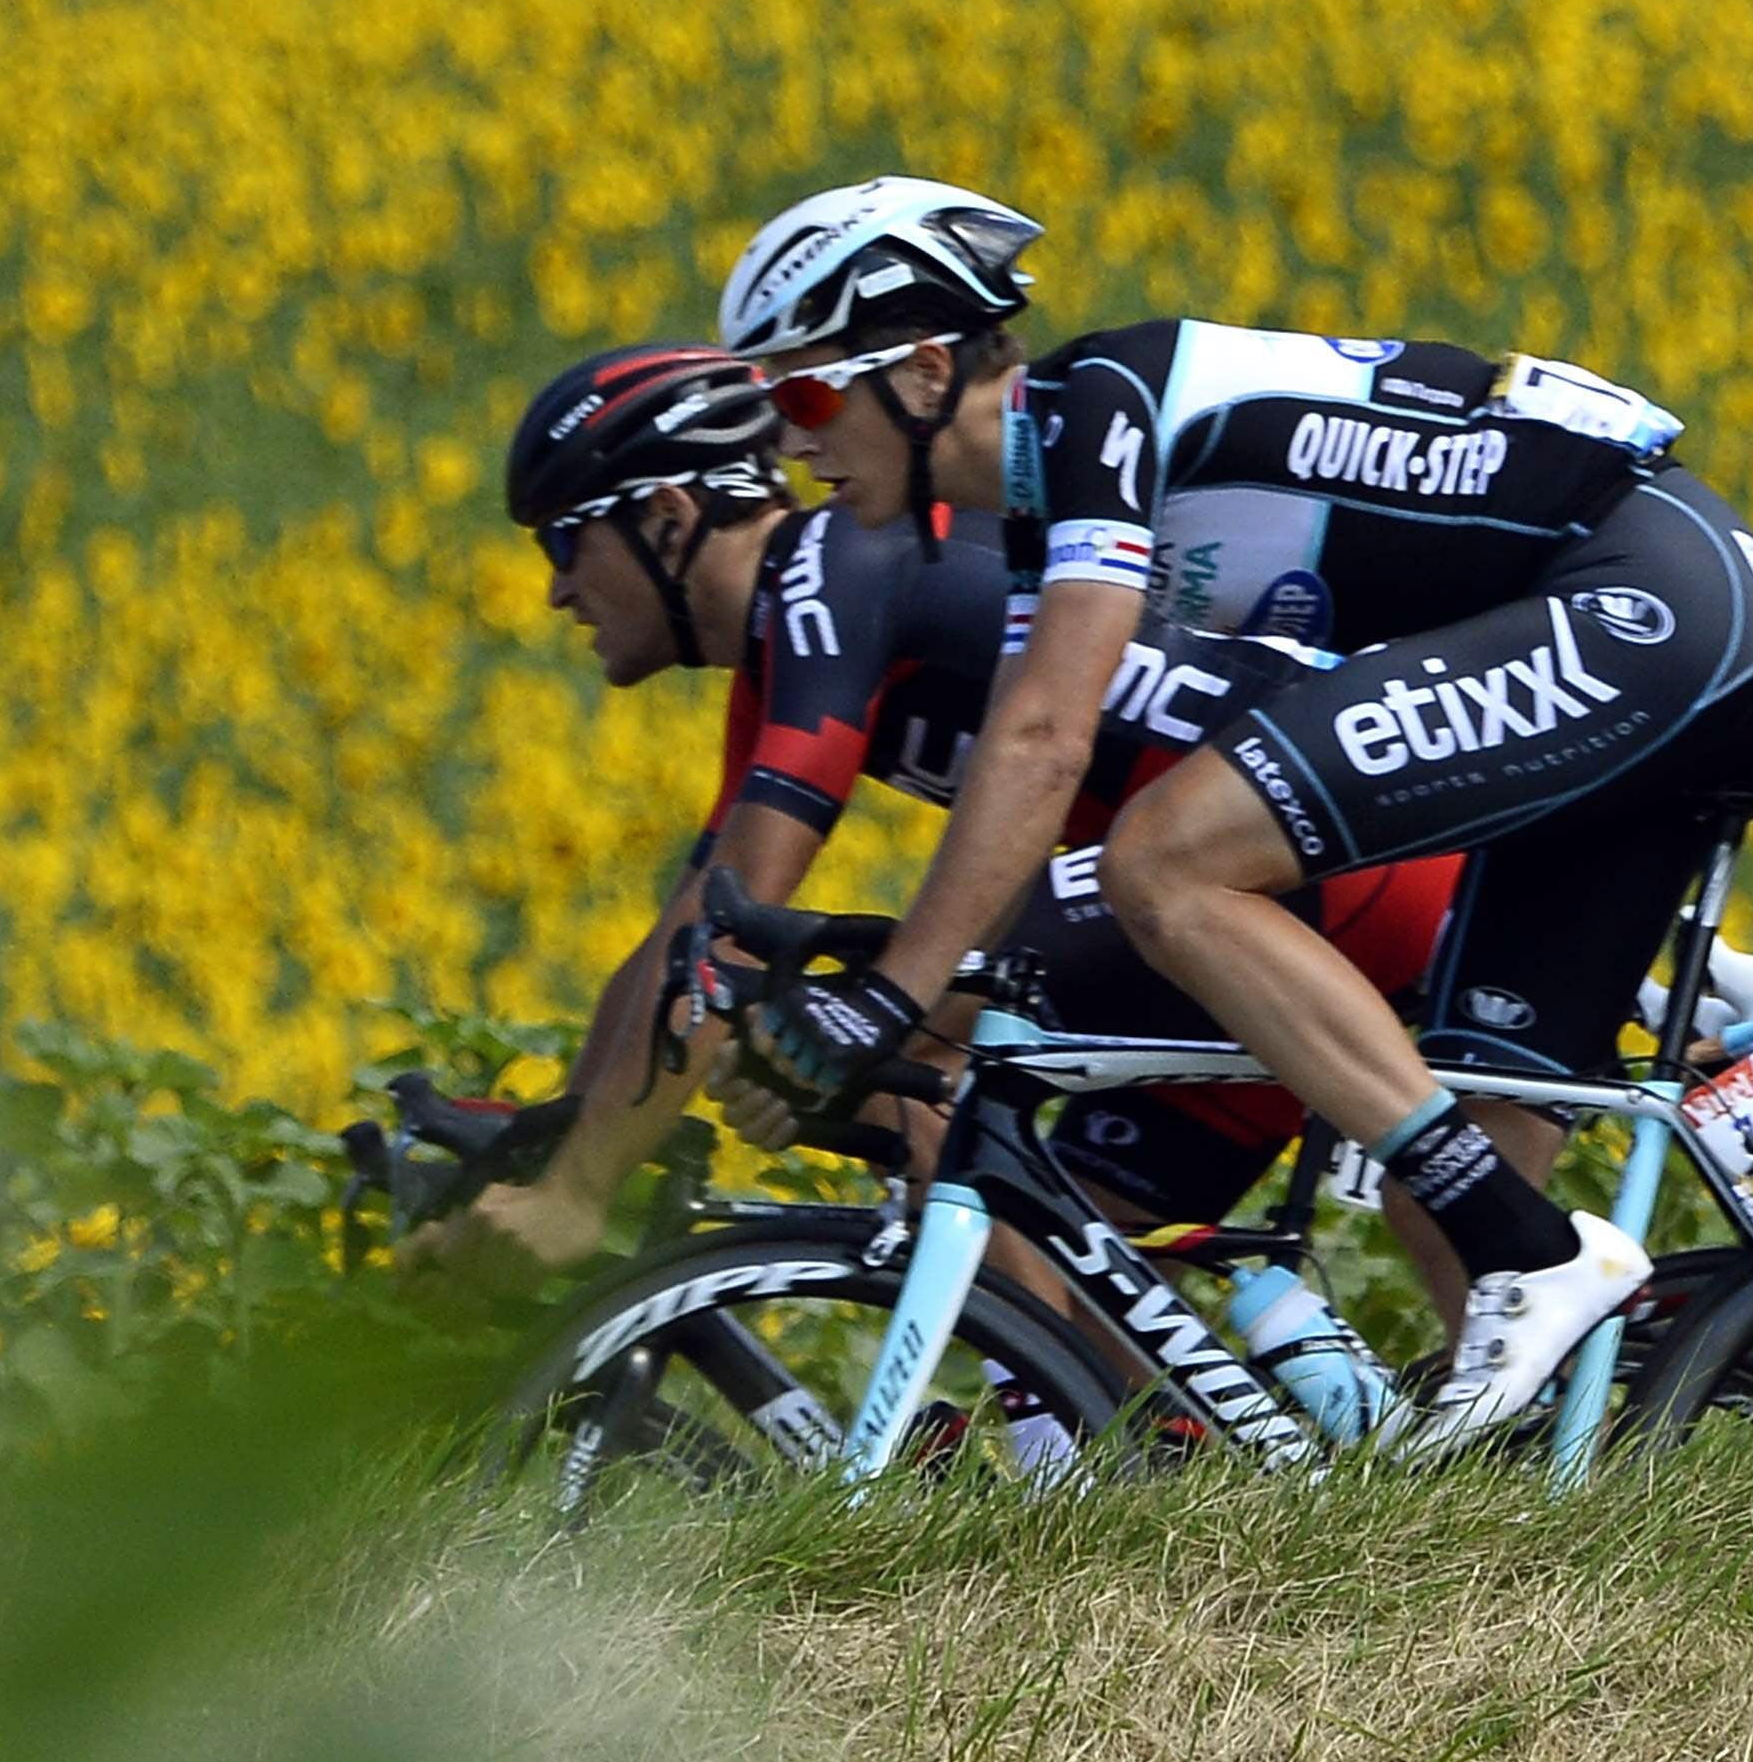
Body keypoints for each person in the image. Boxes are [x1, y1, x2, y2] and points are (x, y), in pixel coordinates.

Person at [711, 179, 1753, 1450]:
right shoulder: (1035, 514)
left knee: (1167, 864)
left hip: (1644, 596)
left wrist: (893, 997)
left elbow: (1044, 741)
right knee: (1464, 1171)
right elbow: (1031, 772)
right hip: (1668, 621)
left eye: (802, 395)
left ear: (922, 370)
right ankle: (1578, 1538)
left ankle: (1528, 1249)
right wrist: (912, 967)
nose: (791, 444)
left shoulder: (1091, 415)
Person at [425, 340, 1457, 1284]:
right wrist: (553, 1145)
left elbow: (722, 954)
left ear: (665, 518)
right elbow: (691, 927)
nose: (557, 591)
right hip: (1295, 881)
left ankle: (1066, 1447)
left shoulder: (834, 572)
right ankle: (1134, 1458)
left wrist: (580, 1191)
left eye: (564, 542)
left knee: (887, 1042)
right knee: (1079, 1317)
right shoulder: (789, 641)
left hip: (1297, 870)